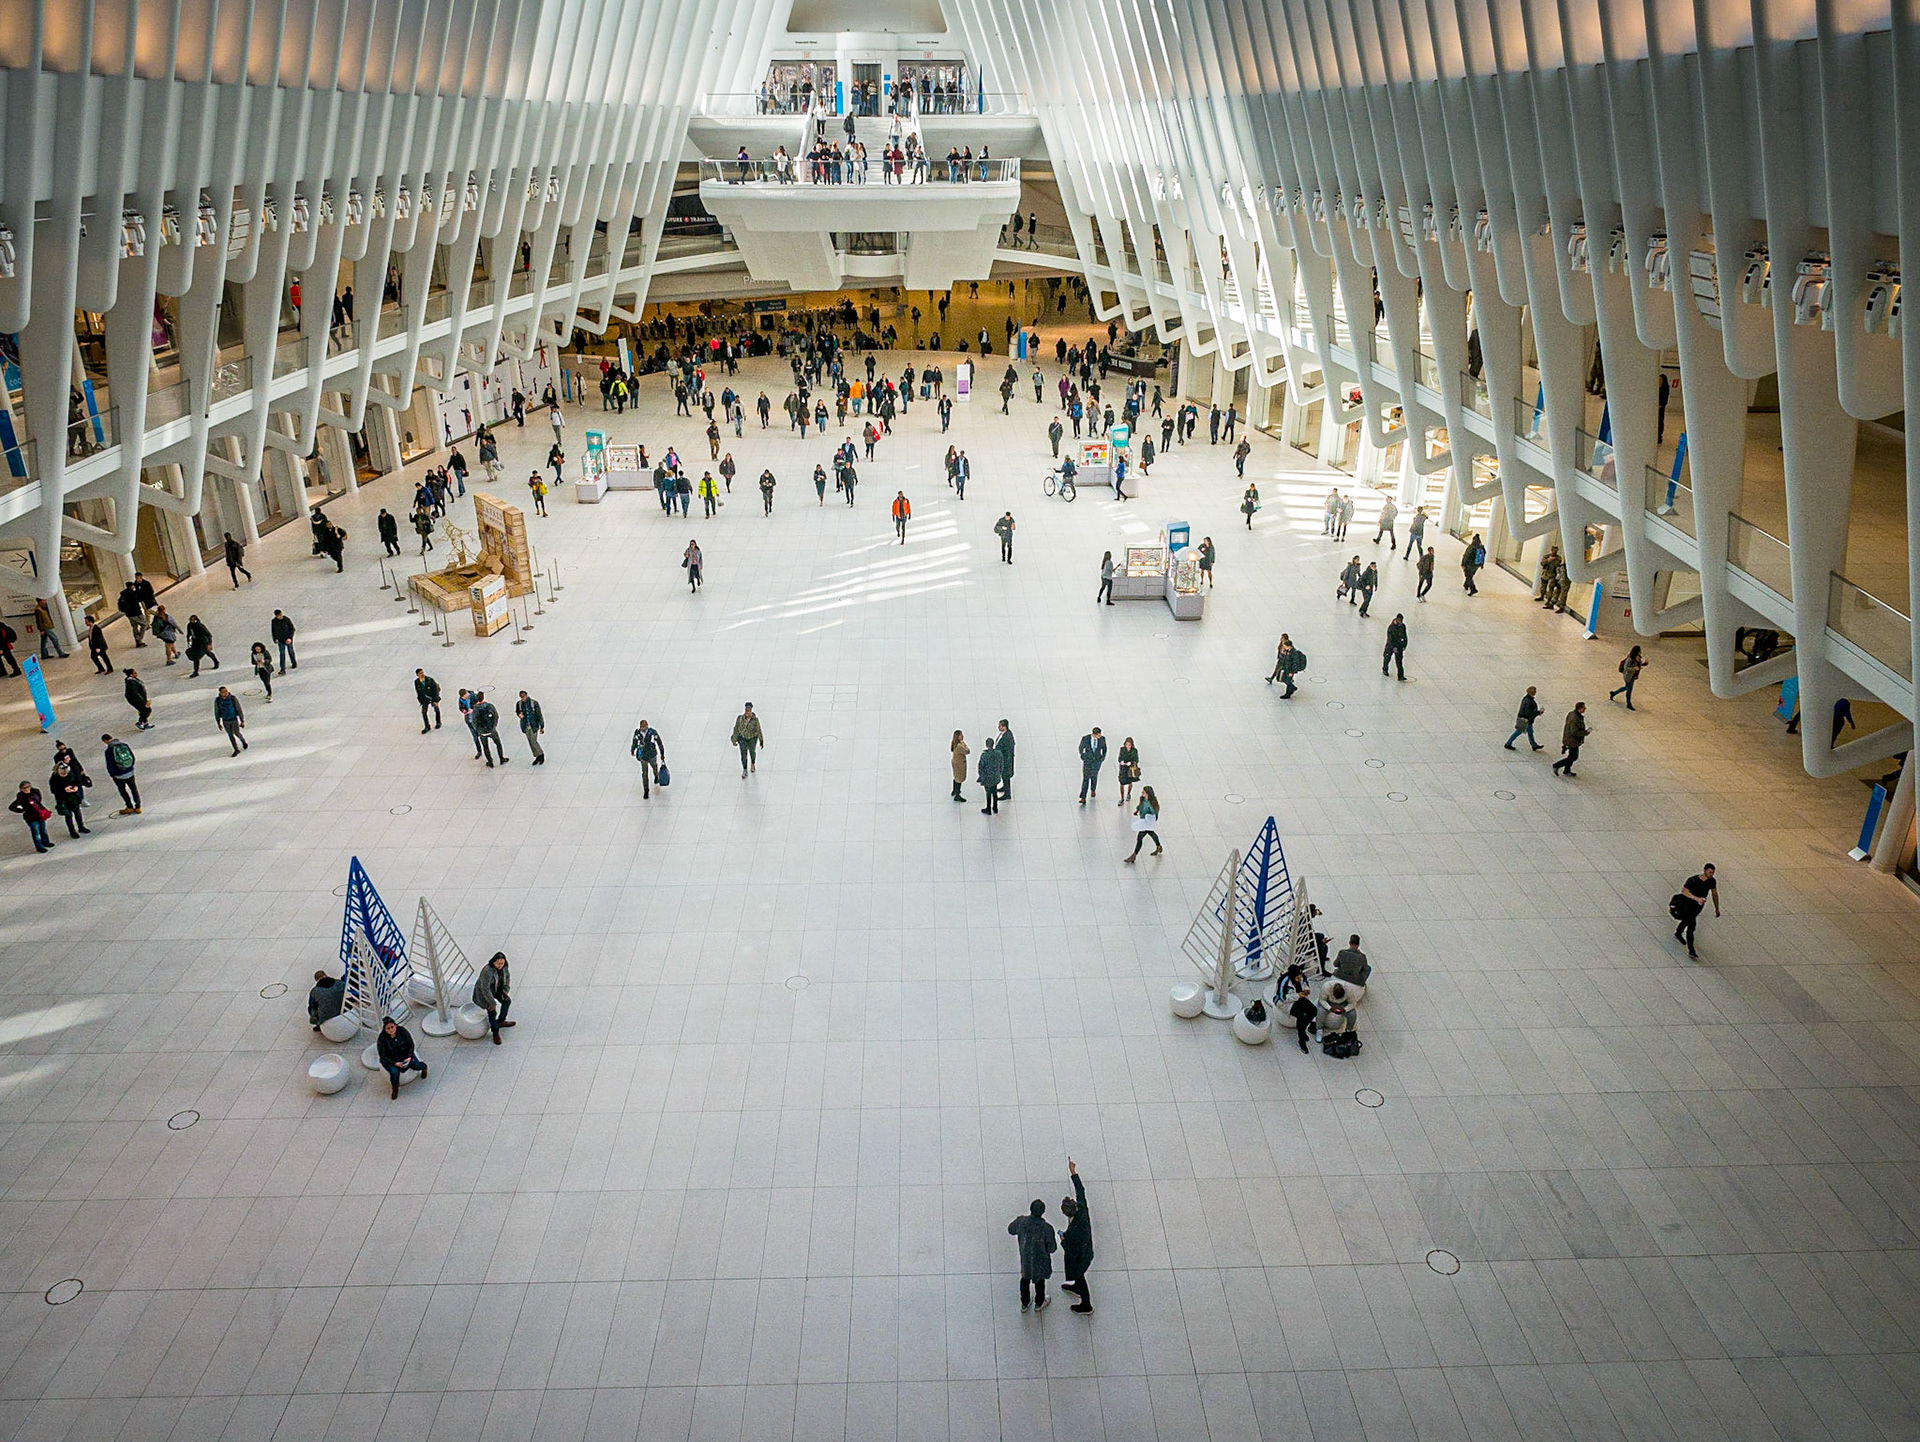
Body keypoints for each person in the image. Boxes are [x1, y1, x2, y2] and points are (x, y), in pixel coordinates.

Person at [1007, 1198, 1056, 1311]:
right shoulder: (1047, 1228)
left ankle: (1025, 1303)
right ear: (1043, 1212)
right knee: (1040, 1282)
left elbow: (1011, 1229)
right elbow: (1052, 1248)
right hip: (1040, 1261)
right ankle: (1039, 1303)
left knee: (1025, 1279)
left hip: (1026, 1258)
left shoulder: (1021, 1221)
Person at [1059, 1159, 1094, 1313]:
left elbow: (1071, 1249)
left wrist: (1063, 1241)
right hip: (1087, 1250)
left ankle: (1086, 1304)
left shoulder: (1074, 1232)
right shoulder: (1082, 1208)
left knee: (1080, 1275)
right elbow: (1080, 1190)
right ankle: (1076, 1287)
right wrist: (1073, 1172)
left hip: (1081, 1257)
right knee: (1078, 1276)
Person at [1671, 863, 1720, 958]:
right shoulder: (1693, 880)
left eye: (1713, 873)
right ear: (1704, 870)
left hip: (1698, 907)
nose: (1711, 874)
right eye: (1710, 872)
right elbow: (1684, 892)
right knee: (1691, 926)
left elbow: (1714, 894)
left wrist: (1717, 908)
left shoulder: (1712, 881)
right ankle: (1691, 950)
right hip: (1688, 905)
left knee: (1687, 920)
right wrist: (1697, 899)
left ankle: (1678, 932)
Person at [375, 1016, 427, 1099]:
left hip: (405, 1056)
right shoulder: (382, 1039)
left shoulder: (402, 1031)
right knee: (394, 1072)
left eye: (392, 1027)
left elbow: (411, 1044)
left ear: (395, 1026)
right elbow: (383, 1056)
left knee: (416, 1065)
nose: (391, 1030)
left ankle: (424, 1067)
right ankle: (395, 1088)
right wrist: (395, 1063)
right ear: (385, 1030)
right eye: (388, 1028)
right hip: (391, 1060)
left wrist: (409, 1056)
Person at [474, 952, 513, 1043]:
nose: (500, 965)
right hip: (486, 992)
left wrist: (506, 990)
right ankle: (495, 1031)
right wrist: (492, 1002)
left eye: (502, 963)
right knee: (491, 1010)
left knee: (507, 1001)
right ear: (493, 962)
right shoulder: (487, 971)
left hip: (498, 989)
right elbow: (485, 988)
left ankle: (501, 1021)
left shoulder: (505, 967)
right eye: (498, 963)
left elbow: (507, 978)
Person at [48, 760, 91, 837]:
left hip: (74, 797)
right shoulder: (54, 778)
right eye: (62, 774)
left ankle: (81, 827)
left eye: (66, 774)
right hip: (63, 799)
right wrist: (64, 789)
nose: (64, 775)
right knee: (68, 815)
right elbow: (53, 790)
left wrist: (76, 787)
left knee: (78, 813)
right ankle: (72, 831)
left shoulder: (72, 774)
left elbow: (78, 781)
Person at [10, 780, 54, 853]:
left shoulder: (35, 792)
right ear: (21, 789)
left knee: (43, 830)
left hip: (40, 815)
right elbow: (12, 807)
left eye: (28, 787)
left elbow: (39, 800)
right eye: (24, 788)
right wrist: (22, 810)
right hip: (31, 817)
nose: (26, 789)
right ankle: (39, 847)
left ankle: (46, 842)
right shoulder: (21, 797)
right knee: (36, 832)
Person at [101, 733, 141, 813]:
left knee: (123, 790)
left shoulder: (109, 750)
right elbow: (132, 757)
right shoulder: (124, 745)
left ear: (105, 741)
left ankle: (129, 807)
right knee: (134, 789)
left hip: (119, 775)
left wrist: (112, 774)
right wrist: (130, 767)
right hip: (130, 772)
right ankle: (138, 807)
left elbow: (110, 764)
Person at [630, 719, 666, 798]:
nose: (643, 728)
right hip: (643, 756)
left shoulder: (652, 733)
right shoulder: (637, 733)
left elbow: (659, 742)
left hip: (652, 755)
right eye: (642, 727)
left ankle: (656, 776)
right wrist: (632, 750)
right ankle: (646, 790)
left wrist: (662, 753)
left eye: (644, 726)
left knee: (654, 767)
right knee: (644, 773)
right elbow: (634, 742)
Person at [1551, 702, 1589, 777]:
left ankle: (1567, 770)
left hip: (1570, 739)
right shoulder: (1575, 719)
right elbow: (1574, 732)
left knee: (1571, 756)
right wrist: (1585, 733)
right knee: (1574, 757)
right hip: (1572, 740)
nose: (1585, 709)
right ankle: (1556, 765)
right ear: (1580, 709)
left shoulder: (1572, 714)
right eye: (1584, 708)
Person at [1125, 785, 1161, 862]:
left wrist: (1151, 811)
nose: (1142, 793)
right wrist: (1137, 810)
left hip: (1147, 822)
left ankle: (1134, 855)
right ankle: (1158, 846)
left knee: (1140, 837)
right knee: (1151, 833)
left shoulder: (1152, 803)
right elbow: (1140, 805)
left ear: (1147, 793)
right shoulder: (1143, 799)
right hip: (1143, 820)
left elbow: (1154, 812)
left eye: (1143, 792)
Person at [473, 691, 507, 766]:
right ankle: (501, 758)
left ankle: (490, 761)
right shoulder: (489, 706)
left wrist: (478, 730)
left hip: (482, 732)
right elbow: (496, 716)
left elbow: (474, 721)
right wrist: (494, 726)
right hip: (491, 730)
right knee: (498, 743)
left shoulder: (475, 709)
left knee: (485, 746)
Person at [1609, 645, 1647, 710]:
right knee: (1629, 690)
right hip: (1628, 676)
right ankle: (1628, 703)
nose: (1640, 652)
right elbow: (1626, 668)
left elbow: (1638, 665)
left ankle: (1614, 693)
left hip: (1633, 676)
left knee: (1626, 687)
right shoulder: (1630, 659)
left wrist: (1644, 664)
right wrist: (1634, 668)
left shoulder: (1638, 658)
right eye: (1639, 651)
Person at [731, 701, 764, 776]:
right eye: (746, 710)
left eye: (749, 710)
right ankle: (745, 769)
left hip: (752, 738)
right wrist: (734, 739)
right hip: (742, 738)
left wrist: (761, 740)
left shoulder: (755, 720)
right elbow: (736, 728)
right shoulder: (740, 718)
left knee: (752, 752)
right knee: (743, 754)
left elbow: (758, 730)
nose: (747, 712)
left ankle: (753, 763)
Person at [214, 686, 247, 754]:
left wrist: (242, 720)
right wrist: (218, 722)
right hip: (225, 720)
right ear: (220, 693)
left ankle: (243, 741)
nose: (225, 693)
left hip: (234, 719)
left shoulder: (232, 698)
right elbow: (216, 711)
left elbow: (238, 708)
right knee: (230, 735)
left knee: (237, 733)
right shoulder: (218, 701)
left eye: (226, 691)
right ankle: (236, 749)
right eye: (223, 692)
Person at [1078, 727, 1107, 804]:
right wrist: (1083, 756)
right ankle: (1083, 797)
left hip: (1097, 761)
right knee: (1086, 778)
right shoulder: (1086, 739)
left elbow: (1104, 749)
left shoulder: (1102, 739)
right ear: (1094, 734)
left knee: (1094, 776)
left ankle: (1093, 789)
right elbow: (1081, 748)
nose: (1100, 736)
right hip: (1088, 761)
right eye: (1098, 735)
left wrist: (1102, 758)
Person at [515, 691, 546, 764]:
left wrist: (541, 726)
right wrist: (519, 715)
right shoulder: (519, 704)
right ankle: (537, 756)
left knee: (533, 741)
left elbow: (539, 714)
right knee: (530, 742)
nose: (523, 698)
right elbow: (517, 711)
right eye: (521, 697)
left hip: (533, 725)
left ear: (526, 695)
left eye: (524, 696)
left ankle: (541, 754)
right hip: (525, 725)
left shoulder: (534, 703)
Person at [116, 581, 149, 648]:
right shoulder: (133, 594)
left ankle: (138, 642)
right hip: (136, 612)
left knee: (134, 626)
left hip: (129, 614)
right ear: (131, 586)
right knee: (144, 624)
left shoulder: (123, 594)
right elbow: (138, 600)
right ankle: (139, 639)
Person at [977, 737, 1003, 814]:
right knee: (994, 791)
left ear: (986, 745)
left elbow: (981, 767)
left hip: (987, 777)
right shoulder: (998, 753)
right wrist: (999, 773)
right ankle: (995, 807)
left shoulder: (984, 755)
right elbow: (1001, 764)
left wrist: (981, 776)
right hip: (995, 776)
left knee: (988, 792)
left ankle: (988, 808)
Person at [994, 721, 1016, 800]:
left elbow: (1007, 751)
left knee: (1006, 776)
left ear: (1004, 727)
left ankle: (1007, 794)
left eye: (1000, 726)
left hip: (1006, 761)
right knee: (1004, 776)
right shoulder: (1005, 734)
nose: (998, 727)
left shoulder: (1007, 737)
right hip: (1003, 759)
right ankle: (1004, 787)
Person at [1115, 737, 1140, 807]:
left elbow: (1136, 760)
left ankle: (1128, 793)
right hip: (1123, 769)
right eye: (1126, 744)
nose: (1128, 746)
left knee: (1130, 782)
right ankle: (1122, 798)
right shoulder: (1122, 749)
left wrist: (1131, 763)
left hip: (1130, 769)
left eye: (1129, 745)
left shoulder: (1134, 751)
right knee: (1122, 783)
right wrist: (1121, 761)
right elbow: (1119, 758)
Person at [1381, 614, 1407, 679]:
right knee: (1387, 658)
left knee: (1399, 661)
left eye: (1402, 620)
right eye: (1400, 620)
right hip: (1390, 646)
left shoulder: (1402, 626)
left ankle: (1400, 675)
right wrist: (1393, 647)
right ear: (1397, 619)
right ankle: (1385, 669)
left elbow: (1405, 636)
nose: (1401, 622)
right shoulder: (1391, 627)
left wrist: (1404, 644)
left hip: (1399, 645)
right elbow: (1390, 639)